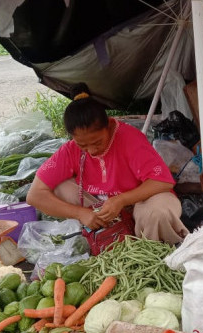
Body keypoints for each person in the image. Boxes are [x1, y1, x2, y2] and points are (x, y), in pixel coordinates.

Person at [26, 93, 188, 245]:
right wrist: (80, 213)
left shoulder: (130, 138)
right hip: (104, 208)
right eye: (82, 145)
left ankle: (154, 253)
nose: (91, 150)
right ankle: (108, 238)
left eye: (97, 142)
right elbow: (34, 195)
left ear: (109, 125)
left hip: (142, 202)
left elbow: (163, 182)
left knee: (157, 213)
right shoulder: (70, 150)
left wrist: (121, 200)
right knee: (60, 187)